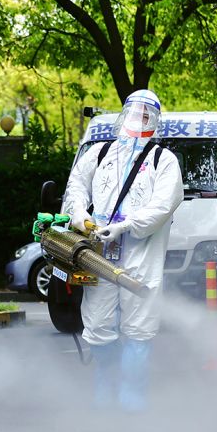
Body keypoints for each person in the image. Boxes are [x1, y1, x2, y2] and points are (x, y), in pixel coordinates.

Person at [64, 89, 183, 411]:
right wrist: (80, 215)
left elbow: (164, 204)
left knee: (139, 323)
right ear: (123, 115)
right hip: (100, 251)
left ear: (154, 121)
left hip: (141, 253)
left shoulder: (163, 160)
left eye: (146, 115)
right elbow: (76, 185)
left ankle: (132, 396)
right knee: (98, 321)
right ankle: (105, 381)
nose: (138, 119)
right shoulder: (100, 154)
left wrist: (125, 225)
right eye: (134, 112)